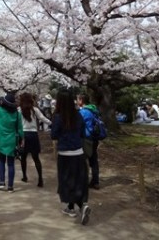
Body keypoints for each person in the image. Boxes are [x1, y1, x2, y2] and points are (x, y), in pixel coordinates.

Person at [51, 89, 91, 225]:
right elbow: (82, 133)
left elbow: (54, 135)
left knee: (67, 181)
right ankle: (73, 207)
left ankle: (78, 207)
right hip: (79, 153)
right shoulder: (78, 115)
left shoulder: (58, 117)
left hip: (65, 155)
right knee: (78, 181)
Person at [19, 92, 52, 188]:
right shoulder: (35, 110)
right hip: (33, 135)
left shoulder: (19, 110)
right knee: (36, 158)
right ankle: (40, 179)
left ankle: (25, 176)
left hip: (23, 135)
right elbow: (43, 118)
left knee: (23, 157)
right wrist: (51, 123)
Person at [77, 94, 101, 190]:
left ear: (81, 100)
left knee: (82, 160)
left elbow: (78, 125)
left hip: (86, 138)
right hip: (94, 137)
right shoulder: (94, 110)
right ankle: (95, 181)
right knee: (94, 159)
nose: (77, 101)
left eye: (78, 99)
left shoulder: (83, 112)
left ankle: (83, 182)